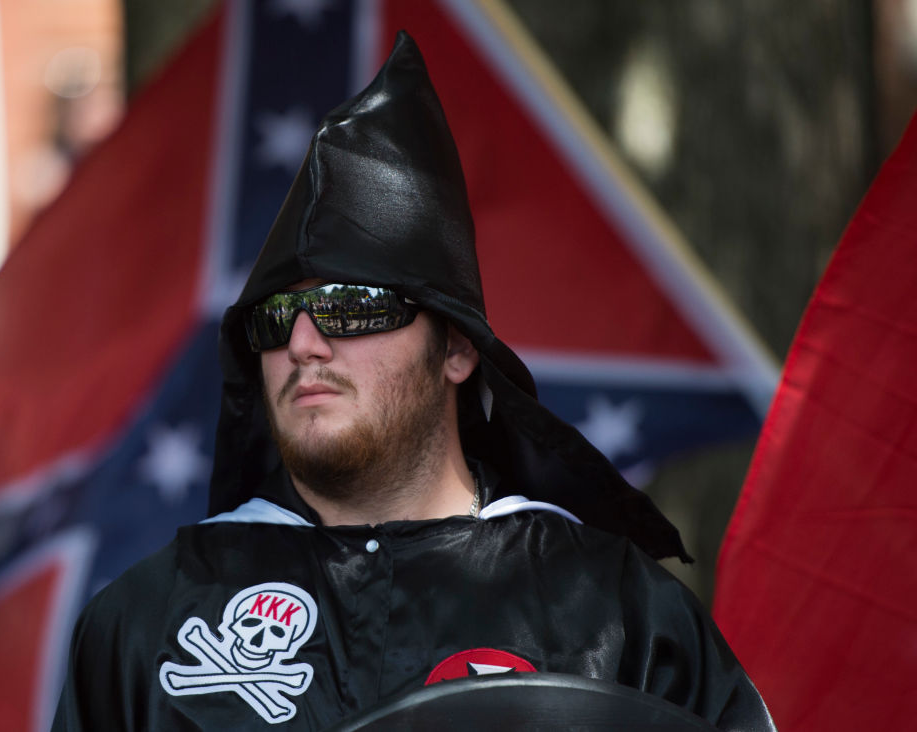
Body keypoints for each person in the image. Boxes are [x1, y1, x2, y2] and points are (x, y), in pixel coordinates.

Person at [53, 32, 775, 731]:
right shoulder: (146, 622)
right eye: (275, 317)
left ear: (456, 349)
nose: (304, 342)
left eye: (350, 307)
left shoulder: (618, 613)